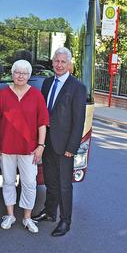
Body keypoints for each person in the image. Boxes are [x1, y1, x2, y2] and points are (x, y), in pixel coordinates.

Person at [32, 47, 86, 237]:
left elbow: (79, 121)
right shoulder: (47, 83)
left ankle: (65, 221)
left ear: (69, 64)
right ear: (52, 62)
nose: (59, 65)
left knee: (64, 184)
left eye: (63, 62)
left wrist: (72, 147)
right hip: (47, 142)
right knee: (50, 180)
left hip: (65, 147)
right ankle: (49, 212)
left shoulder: (77, 87)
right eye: (57, 61)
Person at [0, 60, 49, 233]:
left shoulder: (36, 95)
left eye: (24, 73)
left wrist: (41, 146)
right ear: (12, 74)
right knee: (8, 181)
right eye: (17, 72)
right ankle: (10, 215)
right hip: (6, 148)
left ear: (29, 76)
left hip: (29, 149)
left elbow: (42, 123)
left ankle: (27, 217)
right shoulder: (3, 95)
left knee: (29, 184)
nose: (20, 76)